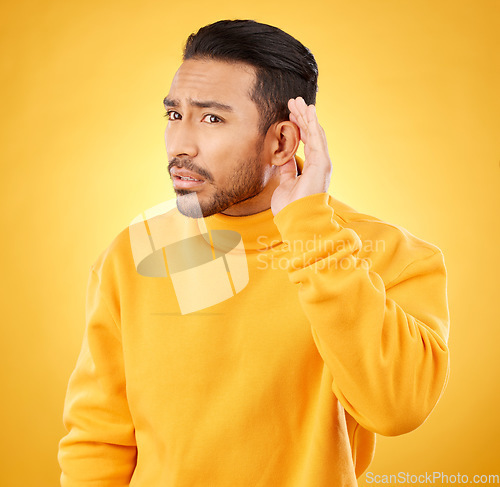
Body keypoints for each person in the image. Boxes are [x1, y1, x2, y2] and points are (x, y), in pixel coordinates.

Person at [58, 19, 450, 486]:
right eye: (173, 115)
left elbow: (398, 408)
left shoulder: (386, 255)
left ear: (281, 141)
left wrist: (310, 228)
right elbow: (97, 440)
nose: (179, 145)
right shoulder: (133, 253)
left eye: (211, 118)